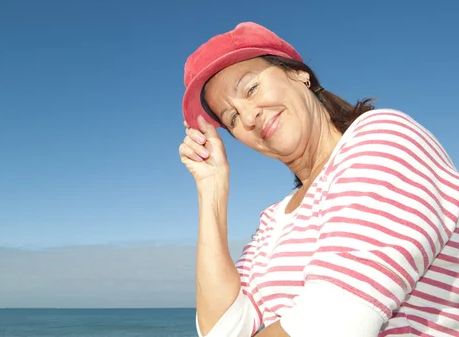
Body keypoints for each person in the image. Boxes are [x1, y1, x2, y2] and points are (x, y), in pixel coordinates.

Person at [178, 22, 459, 337]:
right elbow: (224, 330)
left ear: (299, 74)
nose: (247, 117)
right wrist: (212, 188)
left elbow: (332, 324)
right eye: (231, 118)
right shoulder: (273, 220)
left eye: (251, 88)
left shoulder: (383, 138)